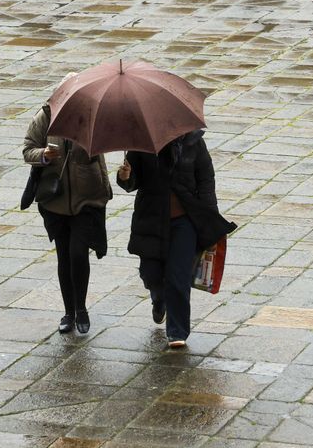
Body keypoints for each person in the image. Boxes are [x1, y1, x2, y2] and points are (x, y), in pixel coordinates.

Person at [117, 130, 236, 348]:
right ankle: (158, 299)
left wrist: (209, 221)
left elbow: (206, 181)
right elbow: (132, 182)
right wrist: (125, 177)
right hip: (151, 218)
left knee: (178, 276)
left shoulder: (194, 142)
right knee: (150, 274)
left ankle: (177, 331)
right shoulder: (142, 143)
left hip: (185, 220)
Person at [23, 103, 112, 334]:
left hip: (87, 199)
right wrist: (43, 155)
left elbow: (103, 150)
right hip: (56, 200)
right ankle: (68, 312)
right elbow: (28, 150)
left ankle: (81, 308)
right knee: (64, 256)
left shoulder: (91, 115)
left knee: (78, 254)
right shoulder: (46, 115)